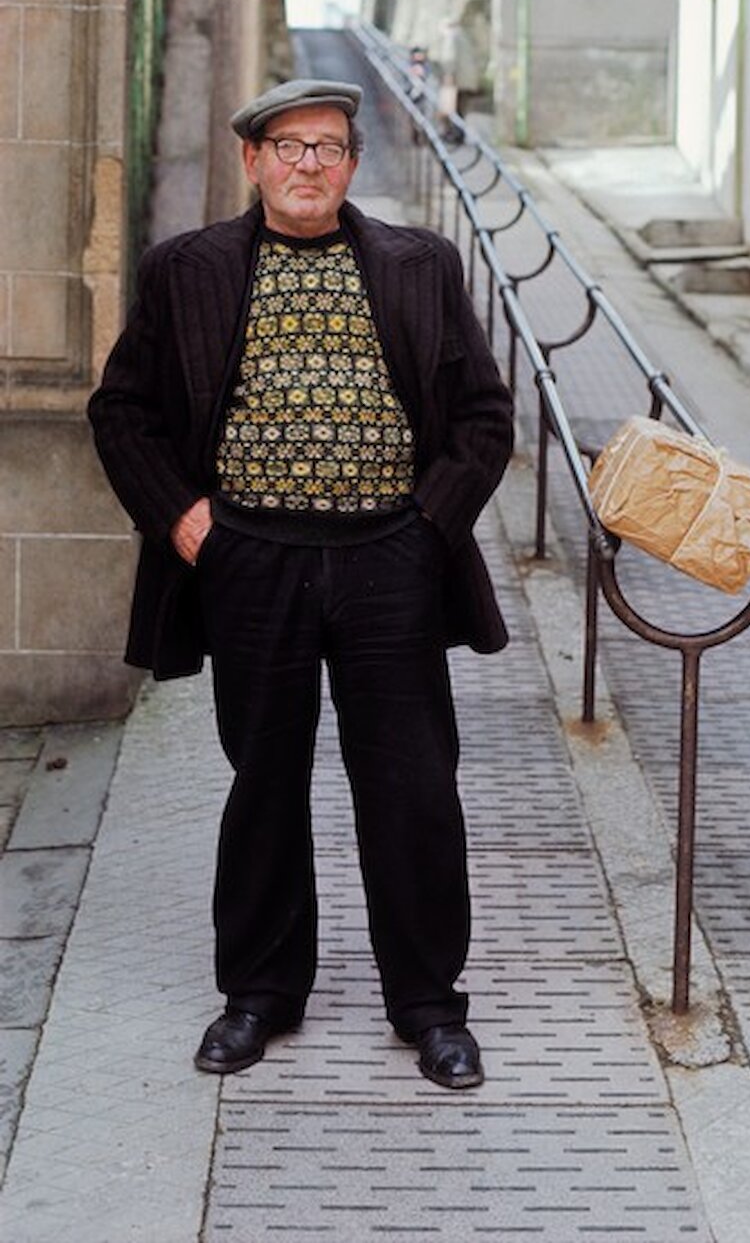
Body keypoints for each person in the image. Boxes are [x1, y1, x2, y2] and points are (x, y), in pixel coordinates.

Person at [88, 77, 513, 1090]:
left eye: (327, 148)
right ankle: (260, 997)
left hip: (388, 563)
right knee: (265, 780)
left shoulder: (420, 265)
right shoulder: (185, 270)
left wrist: (426, 531)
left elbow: (483, 419)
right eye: (289, 147)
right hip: (250, 561)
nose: (308, 164)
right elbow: (122, 410)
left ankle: (429, 1008)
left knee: (411, 786)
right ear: (252, 161)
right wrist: (188, 522)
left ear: (353, 166)